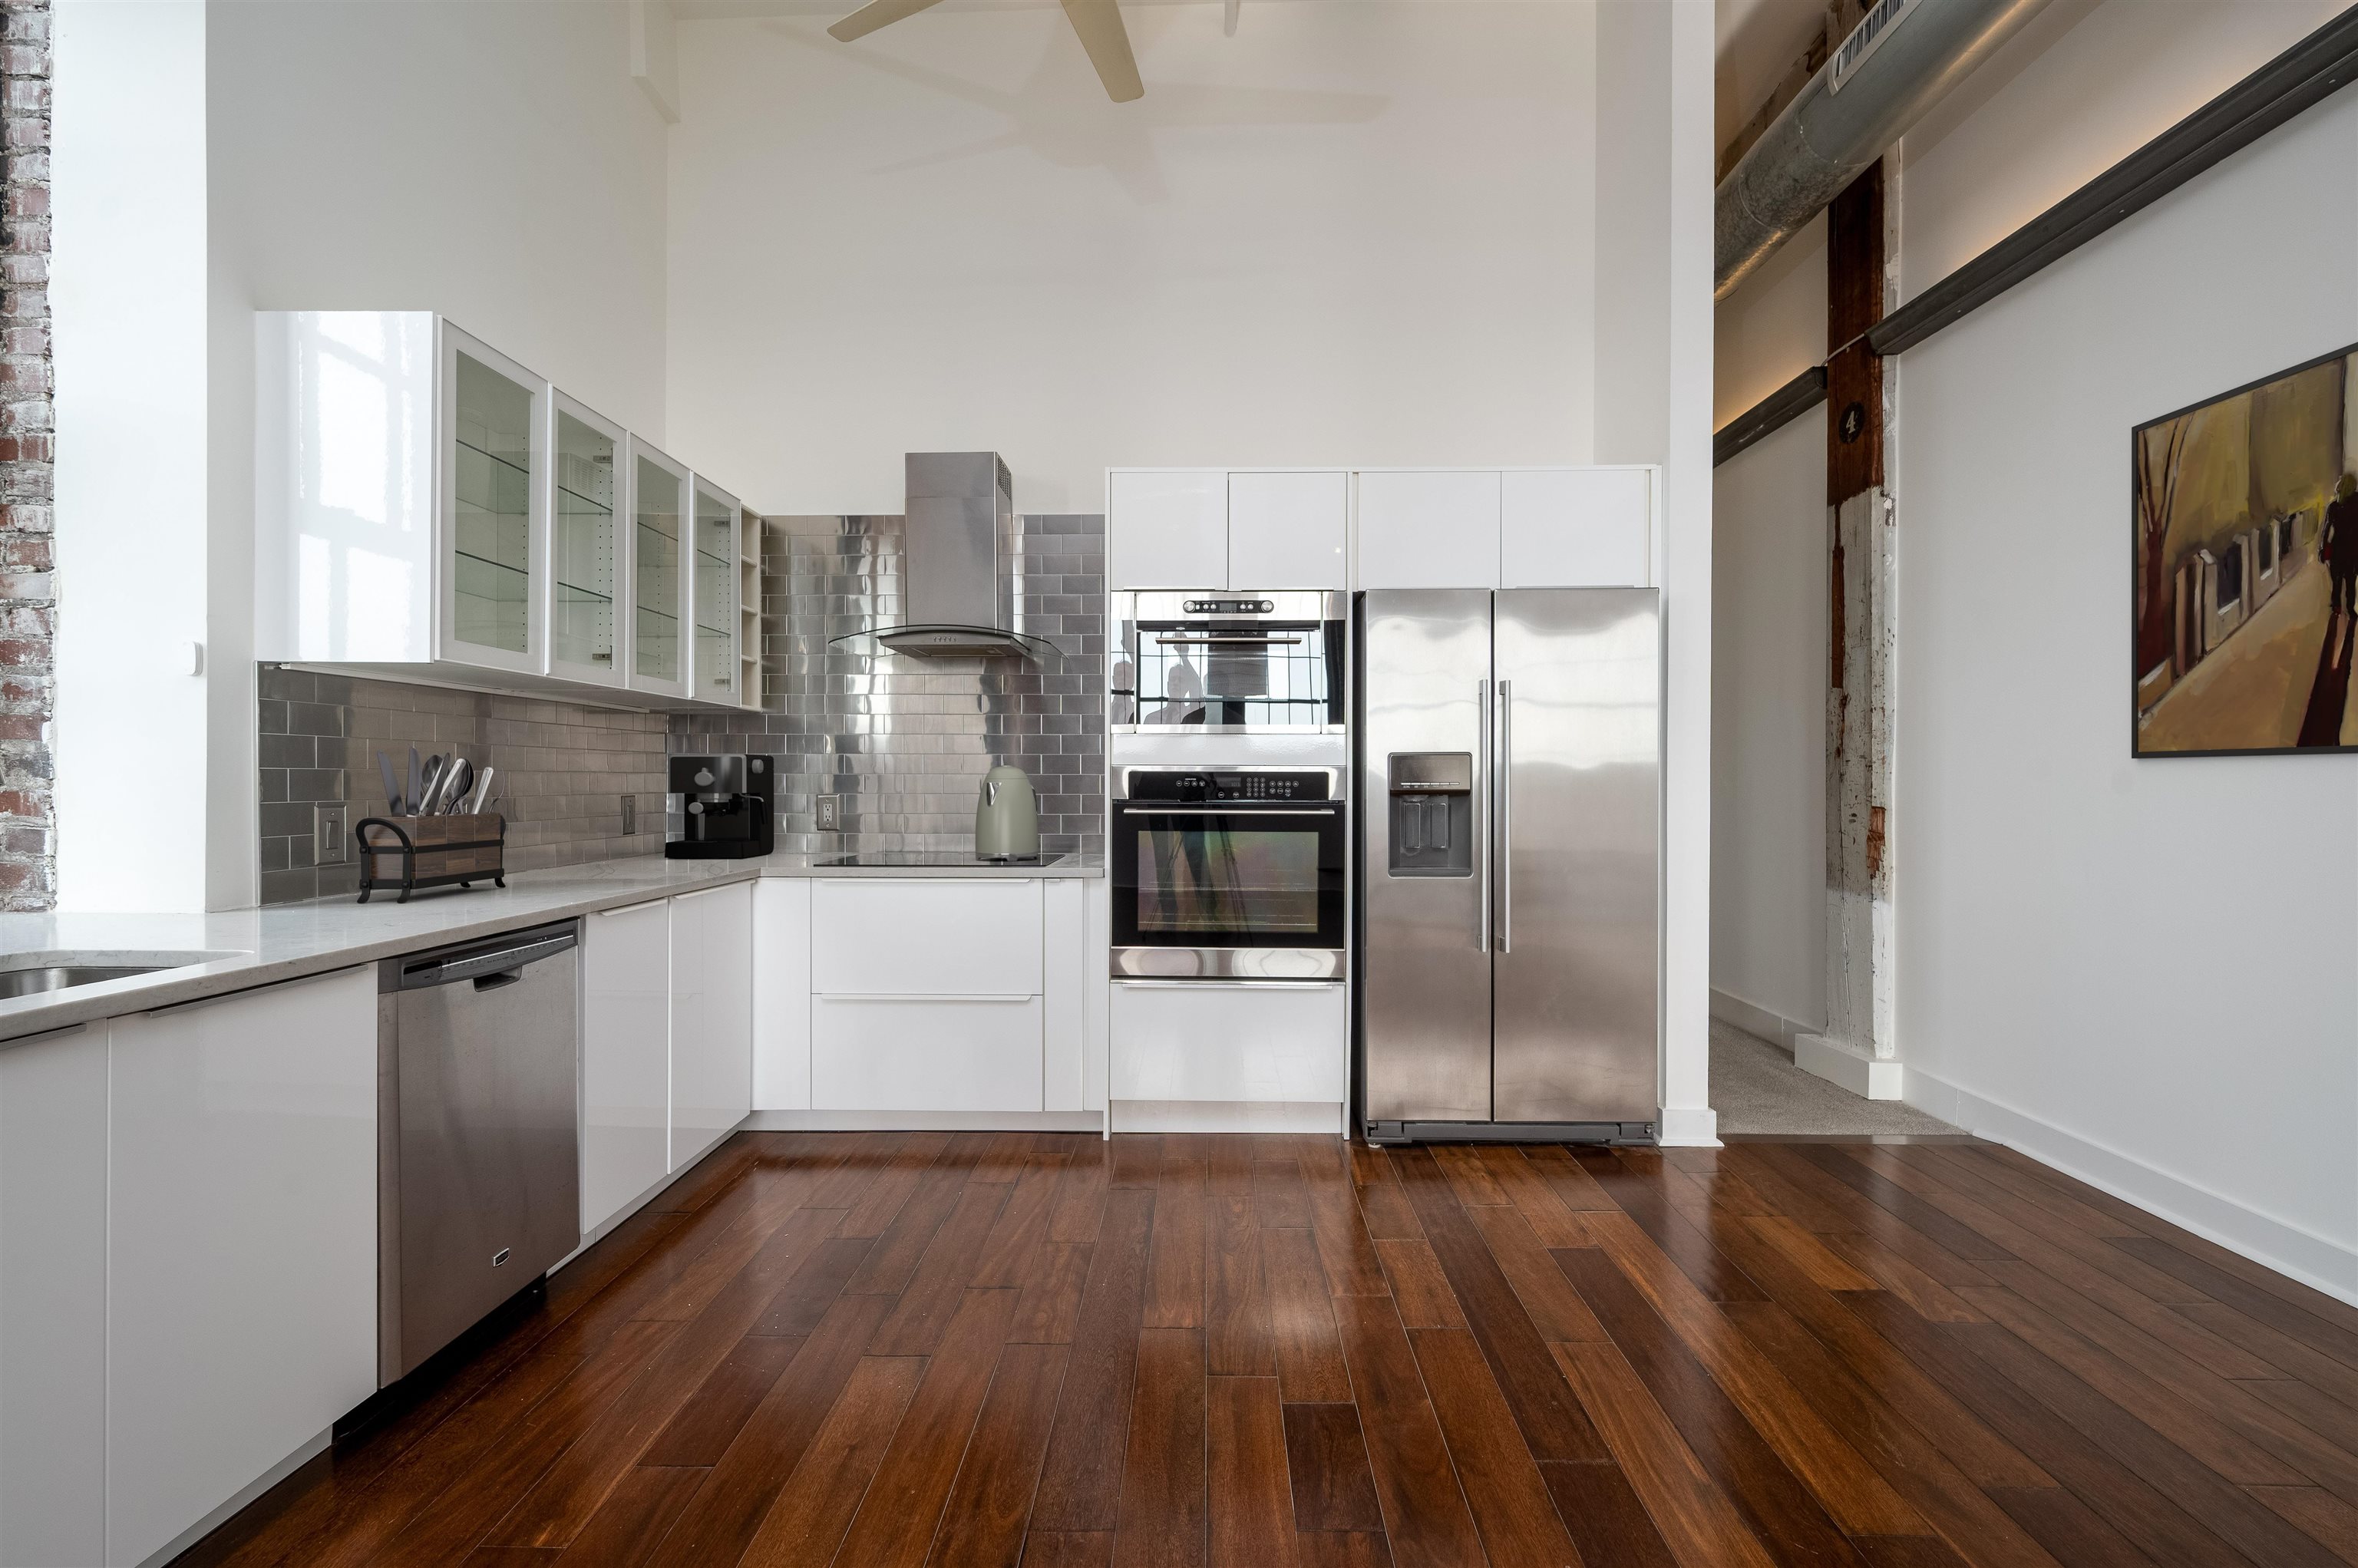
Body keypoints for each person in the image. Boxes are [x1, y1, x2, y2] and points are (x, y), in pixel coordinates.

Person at [2327, 473, 2358, 617]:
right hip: (2353, 550)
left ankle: (2337, 607)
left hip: (2337, 549)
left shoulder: (2334, 507)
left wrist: (2323, 549)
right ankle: (2351, 609)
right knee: (2351, 582)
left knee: (2337, 581)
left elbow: (2327, 529)